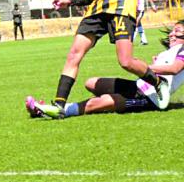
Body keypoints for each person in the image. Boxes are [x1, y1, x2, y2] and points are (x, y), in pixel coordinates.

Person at [27, 20, 184, 119]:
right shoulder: (169, 51)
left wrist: (147, 67)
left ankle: (51, 110)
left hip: (151, 98)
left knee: (99, 103)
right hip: (136, 87)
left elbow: (175, 69)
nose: (171, 34)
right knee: (91, 83)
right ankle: (114, 100)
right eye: (173, 30)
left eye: (177, 31)